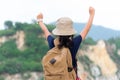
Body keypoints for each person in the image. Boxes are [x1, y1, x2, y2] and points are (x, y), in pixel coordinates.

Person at [37, 6, 95, 80]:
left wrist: (40, 20)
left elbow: (45, 31)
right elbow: (87, 29)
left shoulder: (53, 42)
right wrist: (92, 14)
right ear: (71, 32)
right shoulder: (73, 43)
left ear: (57, 32)